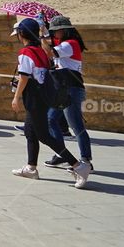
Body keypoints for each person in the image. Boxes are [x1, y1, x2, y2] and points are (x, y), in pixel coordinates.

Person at [9, 18, 90, 187]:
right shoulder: (39, 51)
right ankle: (31, 167)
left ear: (22, 34)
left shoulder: (25, 52)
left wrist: (16, 97)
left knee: (44, 136)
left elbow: (24, 77)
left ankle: (78, 166)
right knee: (30, 132)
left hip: (34, 98)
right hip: (42, 97)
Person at [43, 15, 93, 170]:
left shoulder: (71, 44)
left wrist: (41, 34)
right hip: (63, 89)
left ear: (62, 31)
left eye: (55, 31)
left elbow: (49, 52)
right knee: (51, 119)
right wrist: (44, 28)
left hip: (71, 89)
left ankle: (86, 160)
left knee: (76, 125)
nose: (54, 34)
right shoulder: (65, 43)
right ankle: (62, 154)